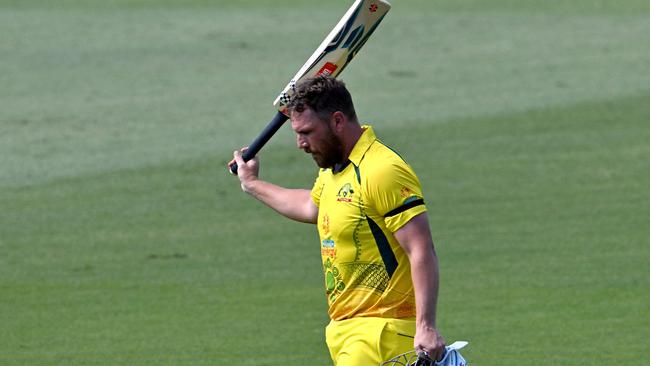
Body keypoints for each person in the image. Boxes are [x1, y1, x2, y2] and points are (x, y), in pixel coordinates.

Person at [228, 75, 445, 365]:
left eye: (307, 132)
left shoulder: (381, 170)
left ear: (338, 121)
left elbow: (420, 248)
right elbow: (311, 206)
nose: (300, 144)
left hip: (381, 331)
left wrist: (426, 326)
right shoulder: (335, 171)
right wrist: (253, 183)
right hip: (345, 331)